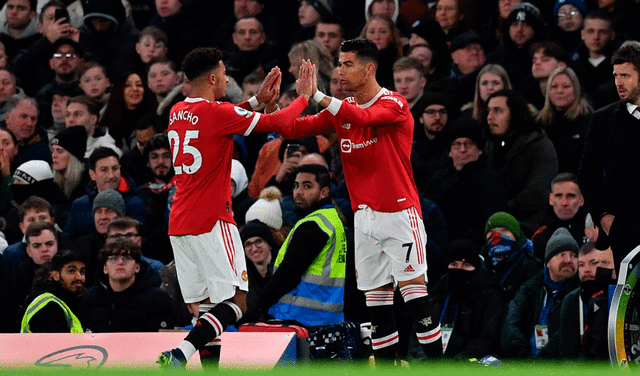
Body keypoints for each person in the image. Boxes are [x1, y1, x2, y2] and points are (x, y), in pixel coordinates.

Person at [277, 38, 444, 363]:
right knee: (378, 307)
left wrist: (319, 97)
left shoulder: (394, 103)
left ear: (370, 68)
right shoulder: (341, 111)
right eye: (339, 63)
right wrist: (275, 106)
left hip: (399, 214)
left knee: (415, 299)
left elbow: (364, 119)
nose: (339, 70)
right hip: (364, 219)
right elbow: (294, 129)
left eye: (347, 63)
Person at [157, 46, 315, 368]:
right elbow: (281, 122)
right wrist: (302, 97)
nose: (227, 80)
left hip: (179, 223)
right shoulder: (218, 114)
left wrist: (257, 100)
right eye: (225, 75)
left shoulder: (177, 111)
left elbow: (223, 120)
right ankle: (180, 354)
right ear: (214, 77)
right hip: (213, 219)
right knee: (237, 303)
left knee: (207, 307)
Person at [245, 163, 347, 326]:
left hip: (298, 317)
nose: (299, 192)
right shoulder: (333, 220)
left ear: (324, 192)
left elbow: (288, 274)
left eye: (307, 186)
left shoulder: (314, 224)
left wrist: (259, 306)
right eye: (296, 185)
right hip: (325, 317)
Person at [578, 43, 640, 269]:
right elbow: (586, 174)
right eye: (616, 75)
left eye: (626, 75)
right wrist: (603, 217)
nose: (618, 83)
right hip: (623, 229)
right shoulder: (602, 120)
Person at [484, 89, 558, 235]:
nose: (490, 117)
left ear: (515, 113)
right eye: (488, 111)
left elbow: (538, 192)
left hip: (528, 224)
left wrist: (501, 209)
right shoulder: (490, 146)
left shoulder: (539, 145)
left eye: (498, 111)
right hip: (493, 220)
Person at [424, 119, 507, 245]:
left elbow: (487, 222)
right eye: (457, 144)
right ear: (450, 152)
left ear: (479, 150)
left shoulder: (490, 180)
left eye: (469, 144)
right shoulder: (438, 179)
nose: (462, 149)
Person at [500, 227, 580, 358]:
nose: (568, 260)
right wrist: (521, 354)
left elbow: (566, 334)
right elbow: (510, 324)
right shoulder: (529, 289)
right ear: (547, 262)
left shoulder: (580, 295)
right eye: (561, 254)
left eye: (574, 256)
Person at [429, 239, 505, 359]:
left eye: (466, 265)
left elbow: (487, 339)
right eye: (454, 264)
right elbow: (419, 331)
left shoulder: (489, 294)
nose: (459, 269)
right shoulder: (440, 290)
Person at [78, 239, 174, 332]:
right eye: (113, 258)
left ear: (137, 267)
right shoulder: (88, 299)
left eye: (126, 257)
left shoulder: (158, 299)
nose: (120, 262)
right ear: (105, 268)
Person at [64, 147, 146, 241]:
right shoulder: (79, 205)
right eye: (104, 170)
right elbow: (68, 240)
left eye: (115, 168)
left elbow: (140, 240)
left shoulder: (135, 204)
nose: (111, 176)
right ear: (92, 175)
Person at [556, 243, 616, 358]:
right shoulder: (571, 300)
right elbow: (567, 352)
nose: (586, 270)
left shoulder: (612, 295)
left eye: (593, 263)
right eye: (581, 265)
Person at [19, 249, 86, 333]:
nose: (79, 277)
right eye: (71, 271)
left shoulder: (76, 302)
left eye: (82, 272)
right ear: (55, 275)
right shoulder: (48, 307)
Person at [482, 211, 541, 300]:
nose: (497, 235)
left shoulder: (531, 268)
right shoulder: (482, 266)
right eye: (492, 232)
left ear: (516, 235)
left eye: (504, 231)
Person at [531, 173, 587, 261]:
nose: (564, 203)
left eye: (571, 196)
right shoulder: (540, 238)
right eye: (558, 196)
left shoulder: (594, 234)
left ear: (581, 200)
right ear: (551, 199)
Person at [98, 71, 158, 151]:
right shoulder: (106, 122)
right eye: (128, 85)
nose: (135, 89)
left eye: (139, 85)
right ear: (119, 90)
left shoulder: (156, 118)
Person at [518, 42, 568, 110]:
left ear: (561, 66)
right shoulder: (526, 87)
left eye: (545, 60)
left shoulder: (570, 91)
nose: (537, 63)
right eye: (534, 60)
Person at [5, 94, 51, 165]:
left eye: (33, 119)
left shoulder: (41, 152)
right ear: (7, 117)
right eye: (24, 116)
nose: (29, 123)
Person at [51, 125, 87, 201]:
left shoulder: (85, 187)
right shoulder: (53, 186)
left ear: (73, 157)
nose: (53, 155)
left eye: (59, 151)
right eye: (53, 150)